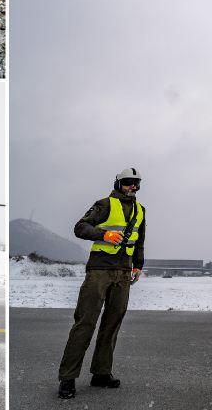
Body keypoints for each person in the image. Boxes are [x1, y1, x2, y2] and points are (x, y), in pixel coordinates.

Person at [57, 168, 146, 400]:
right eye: (128, 183)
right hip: (99, 270)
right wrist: (103, 234)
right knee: (85, 322)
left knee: (112, 323)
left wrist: (138, 265)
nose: (132, 187)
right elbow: (80, 227)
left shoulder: (140, 210)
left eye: (136, 184)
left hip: (124, 272)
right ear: (118, 184)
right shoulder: (104, 204)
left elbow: (140, 241)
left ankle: (101, 373)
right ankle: (67, 378)